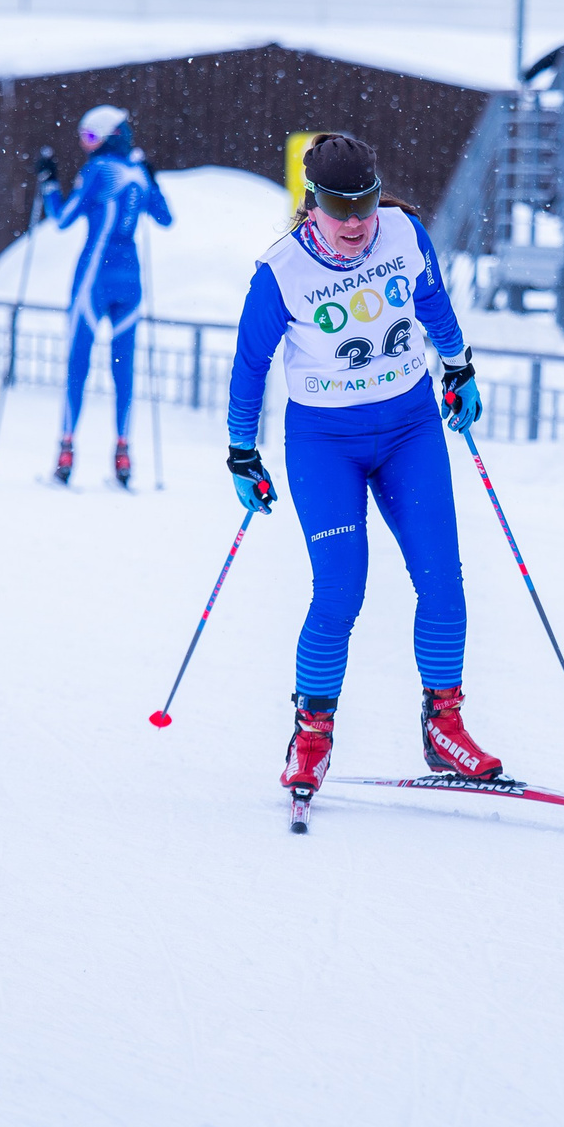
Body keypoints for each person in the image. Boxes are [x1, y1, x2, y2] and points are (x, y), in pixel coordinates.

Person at [224, 133, 496, 815]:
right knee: (340, 591)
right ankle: (311, 733)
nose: (354, 224)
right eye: (339, 209)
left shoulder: (403, 232)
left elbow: (431, 299)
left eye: (365, 206)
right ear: (311, 204)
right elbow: (250, 366)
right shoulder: (280, 272)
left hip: (409, 428)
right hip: (325, 443)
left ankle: (445, 728)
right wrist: (241, 452)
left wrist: (458, 365)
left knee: (442, 579)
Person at [37, 104, 173, 487]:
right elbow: (165, 218)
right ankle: (123, 454)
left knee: (77, 366)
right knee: (123, 370)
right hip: (131, 284)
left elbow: (61, 219)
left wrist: (49, 182)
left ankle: (66, 453)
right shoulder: (137, 173)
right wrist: (154, 179)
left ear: (108, 137)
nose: (85, 146)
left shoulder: (98, 171)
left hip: (93, 280)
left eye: (90, 137)